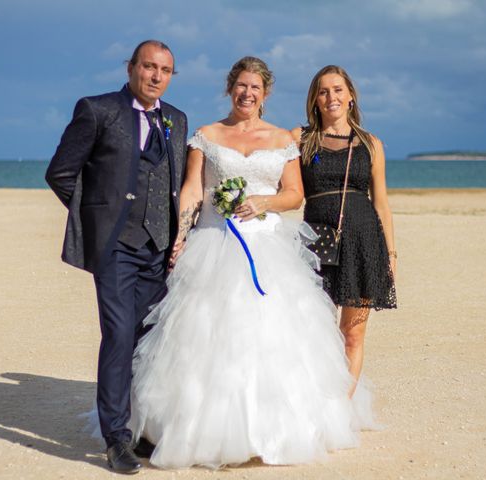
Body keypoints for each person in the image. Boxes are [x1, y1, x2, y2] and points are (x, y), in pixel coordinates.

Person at [123, 57, 375, 469]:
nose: (247, 93)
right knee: (204, 335)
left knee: (270, 336)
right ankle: (198, 430)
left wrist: (265, 202)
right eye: (241, 85)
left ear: (266, 93)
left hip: (266, 248)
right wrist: (181, 237)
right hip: (212, 245)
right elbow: (191, 190)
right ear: (230, 88)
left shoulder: (281, 140)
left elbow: (294, 194)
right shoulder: (206, 135)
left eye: (255, 87)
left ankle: (269, 431)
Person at [45, 40, 188, 474]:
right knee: (119, 334)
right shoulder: (97, 110)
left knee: (149, 341)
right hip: (116, 248)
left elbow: (176, 180)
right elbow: (60, 172)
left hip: (159, 250)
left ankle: (143, 429)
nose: (156, 75)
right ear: (131, 68)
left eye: (165, 69)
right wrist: (98, 218)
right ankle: (116, 438)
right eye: (148, 66)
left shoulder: (176, 120)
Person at [291, 65, 397, 397]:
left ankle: (339, 410)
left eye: (338, 89)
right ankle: (314, 399)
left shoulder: (371, 144)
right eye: (323, 91)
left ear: (350, 96)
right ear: (315, 100)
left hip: (364, 243)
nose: (331, 97)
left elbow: (381, 203)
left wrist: (390, 254)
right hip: (317, 242)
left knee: (353, 332)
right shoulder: (300, 139)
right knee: (315, 329)